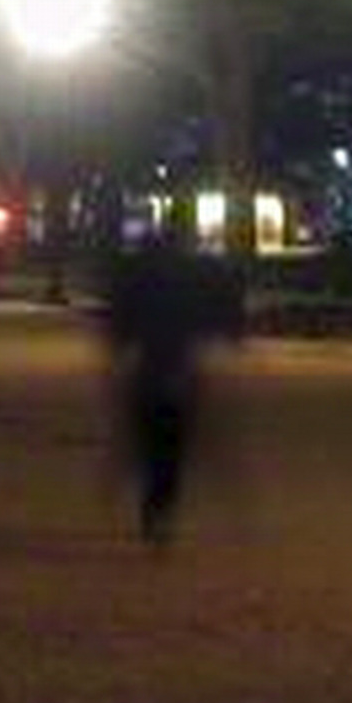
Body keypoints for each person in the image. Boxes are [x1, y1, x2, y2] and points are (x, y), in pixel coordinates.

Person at [102, 232, 244, 546]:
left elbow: (120, 325)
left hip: (152, 374)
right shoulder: (184, 284)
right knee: (171, 447)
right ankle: (161, 504)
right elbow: (212, 314)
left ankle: (155, 504)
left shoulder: (139, 282)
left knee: (152, 444)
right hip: (177, 375)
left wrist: (117, 349)